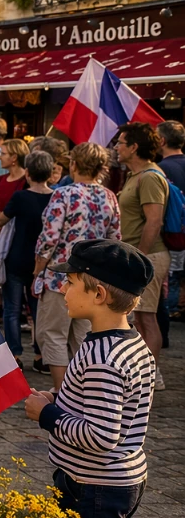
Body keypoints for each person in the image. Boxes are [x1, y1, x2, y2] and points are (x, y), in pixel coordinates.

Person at [23, 239, 154, 518]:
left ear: (97, 294)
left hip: (93, 487)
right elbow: (105, 410)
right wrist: (59, 399)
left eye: (72, 282)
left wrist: (47, 415)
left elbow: (99, 435)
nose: (63, 289)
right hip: (122, 482)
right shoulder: (129, 345)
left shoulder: (101, 358)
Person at [33, 143, 121, 391]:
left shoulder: (64, 194)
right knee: (84, 337)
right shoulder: (109, 196)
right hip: (94, 279)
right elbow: (116, 240)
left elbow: (49, 238)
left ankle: (63, 392)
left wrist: (38, 268)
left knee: (53, 334)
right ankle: (85, 390)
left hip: (60, 277)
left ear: (74, 164)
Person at [0, 150, 55, 370]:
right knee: (38, 309)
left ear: (28, 173)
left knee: (11, 309)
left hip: (17, 257)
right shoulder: (56, 196)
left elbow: (0, 220)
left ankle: (14, 355)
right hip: (42, 260)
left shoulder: (21, 196)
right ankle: (41, 356)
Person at [114, 122, 170, 379]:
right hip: (137, 255)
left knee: (147, 318)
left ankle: (150, 375)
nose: (116, 147)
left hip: (148, 256)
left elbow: (154, 221)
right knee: (139, 317)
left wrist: (141, 258)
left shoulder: (149, 177)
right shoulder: (135, 175)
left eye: (121, 143)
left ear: (134, 147)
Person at [157, 120, 185, 319]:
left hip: (172, 232)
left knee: (172, 276)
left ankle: (170, 310)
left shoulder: (160, 170)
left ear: (162, 141)